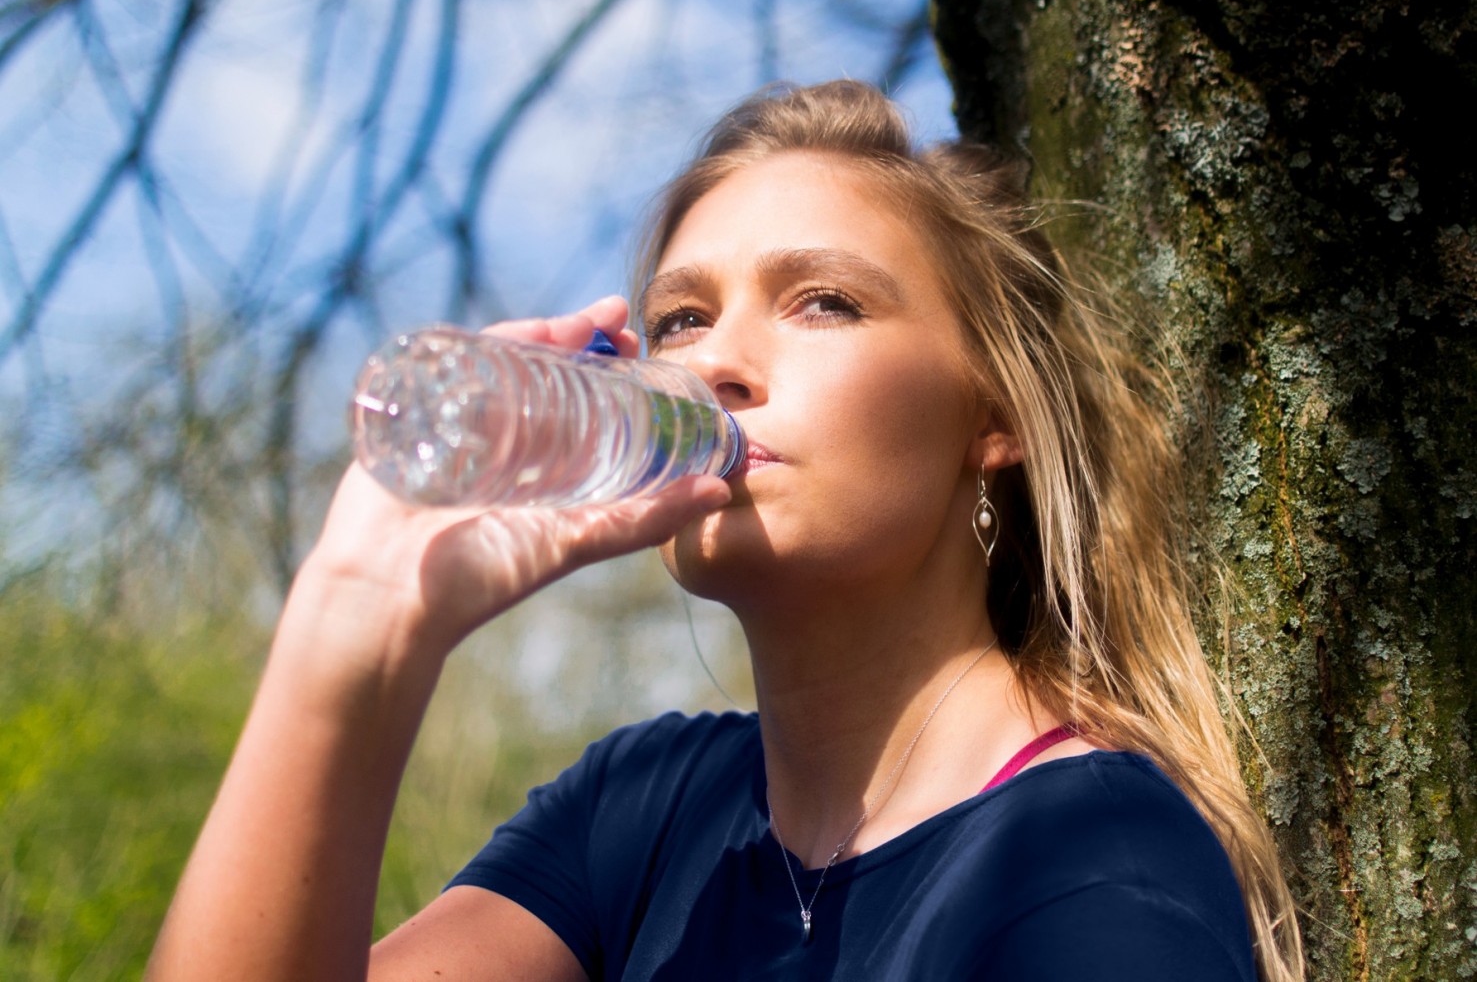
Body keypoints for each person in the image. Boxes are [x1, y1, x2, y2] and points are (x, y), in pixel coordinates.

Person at [146, 80, 1303, 981]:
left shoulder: (1094, 858)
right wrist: (354, 627)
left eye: (824, 301)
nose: (715, 363)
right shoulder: (645, 806)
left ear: (991, 413)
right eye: (681, 318)